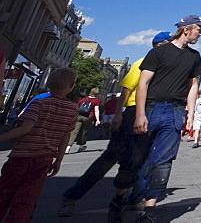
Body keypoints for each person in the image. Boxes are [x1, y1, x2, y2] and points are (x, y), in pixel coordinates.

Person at [59, 32, 172, 217]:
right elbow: (126, 88)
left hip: (149, 113)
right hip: (132, 111)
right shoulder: (144, 61)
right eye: (168, 43)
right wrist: (119, 113)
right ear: (159, 45)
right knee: (111, 157)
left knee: (138, 160)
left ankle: (130, 198)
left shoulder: (166, 66)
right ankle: (72, 196)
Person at [109, 15, 201, 221]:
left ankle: (149, 211)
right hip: (151, 109)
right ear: (186, 29)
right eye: (199, 29)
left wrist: (190, 113)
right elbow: (143, 83)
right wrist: (140, 114)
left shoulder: (194, 57)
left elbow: (193, 86)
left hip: (174, 112)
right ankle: (118, 201)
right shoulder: (158, 52)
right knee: (134, 159)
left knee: (163, 162)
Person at [0, 67, 77, 221]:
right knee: (28, 197)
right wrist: (59, 160)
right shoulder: (72, 109)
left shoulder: (40, 103)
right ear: (71, 85)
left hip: (22, 156)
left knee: (5, 192)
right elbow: (65, 137)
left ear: (48, 84)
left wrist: (2, 137)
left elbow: (25, 128)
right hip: (44, 159)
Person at [70, 87, 101, 153]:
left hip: (79, 115)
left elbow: (77, 107)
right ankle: (81, 146)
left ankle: (68, 147)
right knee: (84, 131)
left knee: (74, 131)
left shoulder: (83, 99)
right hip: (89, 117)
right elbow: (96, 110)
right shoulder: (96, 101)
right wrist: (97, 120)